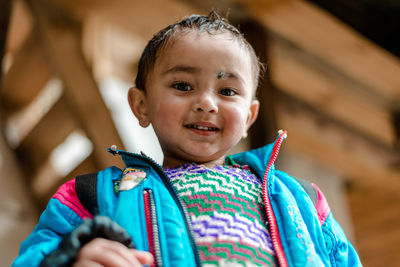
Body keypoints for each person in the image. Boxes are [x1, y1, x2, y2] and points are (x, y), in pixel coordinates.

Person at [12, 12, 362, 267]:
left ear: (248, 119)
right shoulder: (91, 195)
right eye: (183, 86)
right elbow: (34, 258)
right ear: (141, 105)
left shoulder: (302, 200)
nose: (206, 103)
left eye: (227, 91)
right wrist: (71, 259)